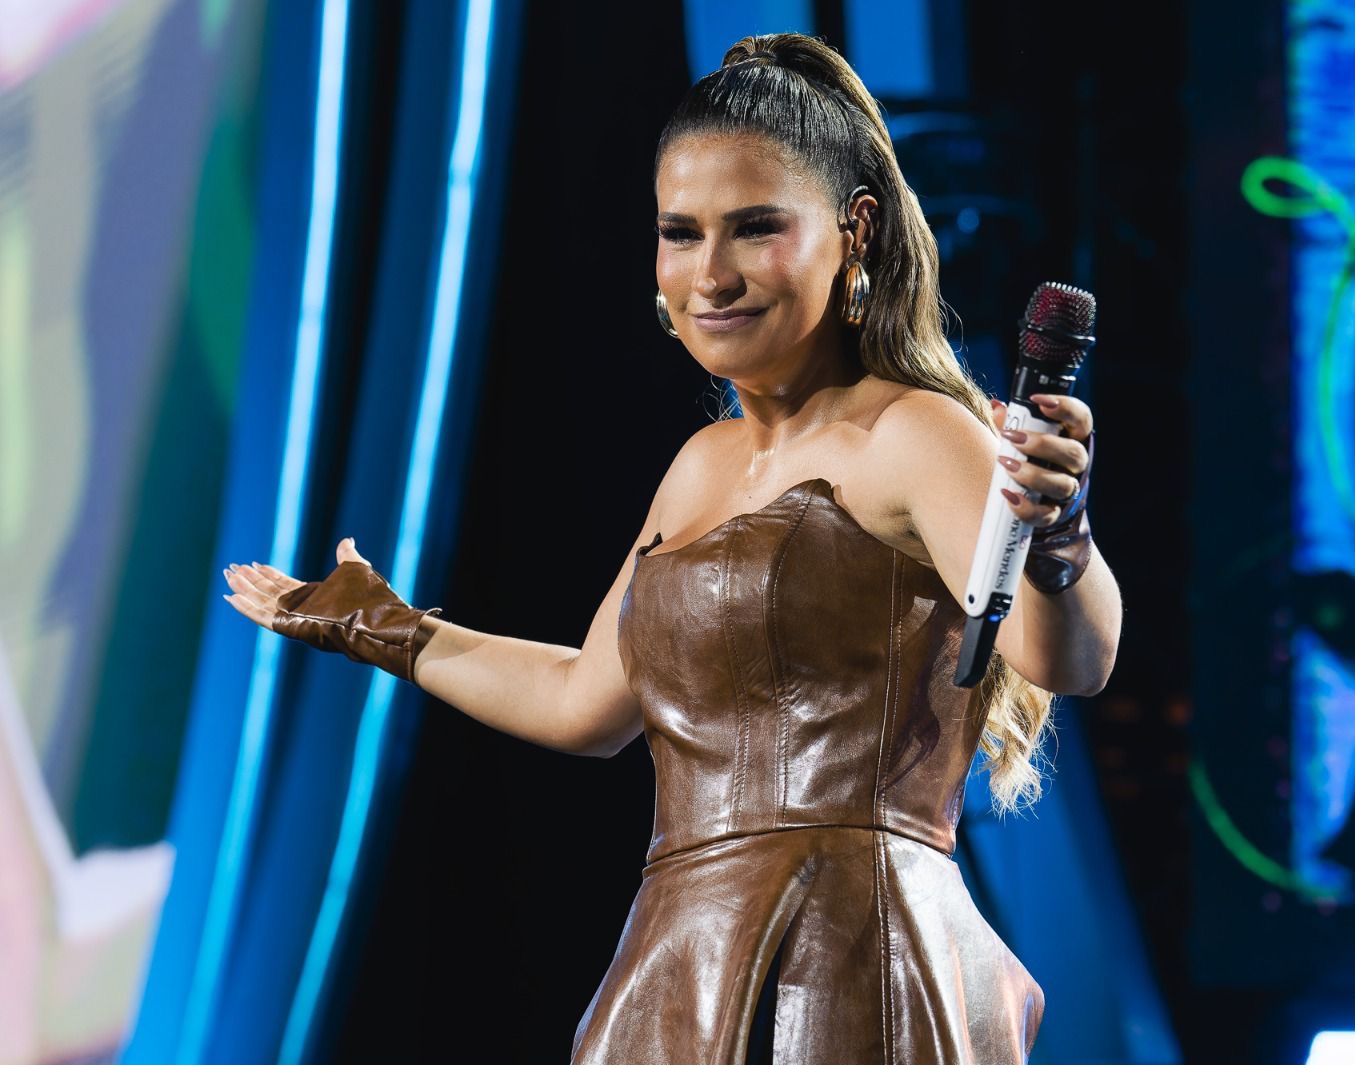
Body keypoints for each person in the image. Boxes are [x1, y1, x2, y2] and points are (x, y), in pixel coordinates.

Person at [222, 32, 1121, 1064]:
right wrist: (383, 626)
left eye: (755, 228)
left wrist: (1059, 536)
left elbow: (1066, 657)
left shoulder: (913, 432)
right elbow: (584, 702)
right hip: (679, 954)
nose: (711, 275)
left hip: (853, 957)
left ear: (855, 230)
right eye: (680, 234)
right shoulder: (702, 464)